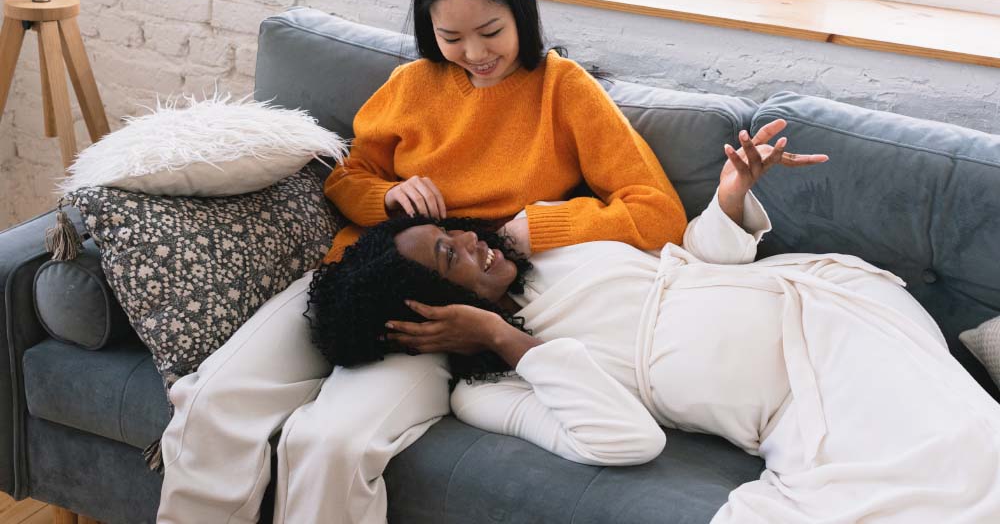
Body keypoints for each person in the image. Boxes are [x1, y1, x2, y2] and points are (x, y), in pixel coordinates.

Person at [157, 0, 704, 523]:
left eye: (491, 32)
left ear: (521, 11)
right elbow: (345, 178)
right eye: (452, 37)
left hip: (445, 315)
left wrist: (540, 229)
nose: (475, 53)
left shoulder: (563, 90)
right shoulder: (412, 86)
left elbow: (659, 212)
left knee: (329, 443)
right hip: (352, 283)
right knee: (209, 403)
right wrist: (389, 197)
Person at [308, 126, 1000, 523]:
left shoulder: (551, 248)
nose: (468, 240)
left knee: (969, 453)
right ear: (426, 305)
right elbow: (627, 439)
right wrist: (506, 340)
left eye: (451, 232)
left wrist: (730, 199)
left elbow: (688, 268)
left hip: (828, 317)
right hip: (793, 409)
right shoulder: (488, 385)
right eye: (446, 255)